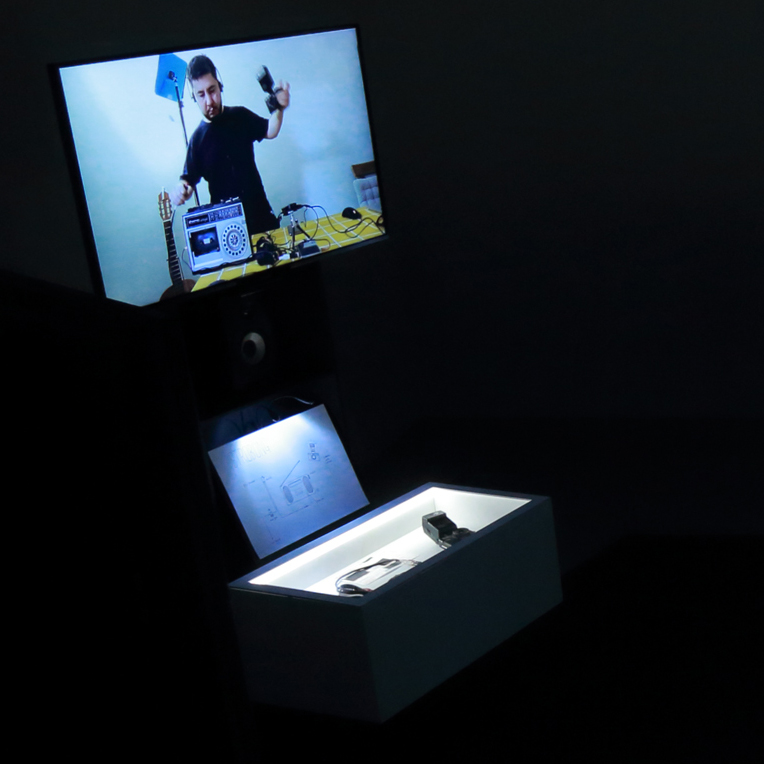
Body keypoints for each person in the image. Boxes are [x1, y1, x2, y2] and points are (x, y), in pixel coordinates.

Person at [170, 55, 290, 234]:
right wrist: (180, 190)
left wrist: (279, 108)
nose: (209, 101)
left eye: (212, 90)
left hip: (260, 214)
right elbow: (187, 180)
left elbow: (270, 131)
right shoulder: (197, 140)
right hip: (227, 228)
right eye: (201, 95)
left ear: (220, 86)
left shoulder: (240, 115)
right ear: (193, 97)